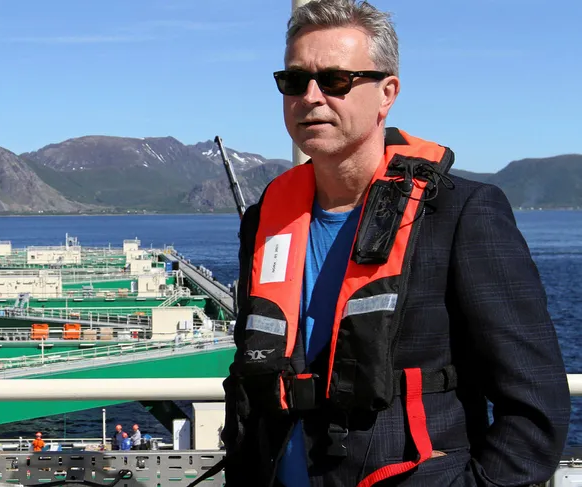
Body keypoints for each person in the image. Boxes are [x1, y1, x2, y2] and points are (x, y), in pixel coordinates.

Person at [204, 1, 571, 486]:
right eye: (294, 81)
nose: (310, 97)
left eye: (335, 80)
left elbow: (535, 405)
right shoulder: (265, 220)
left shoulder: (462, 214)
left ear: (386, 93)